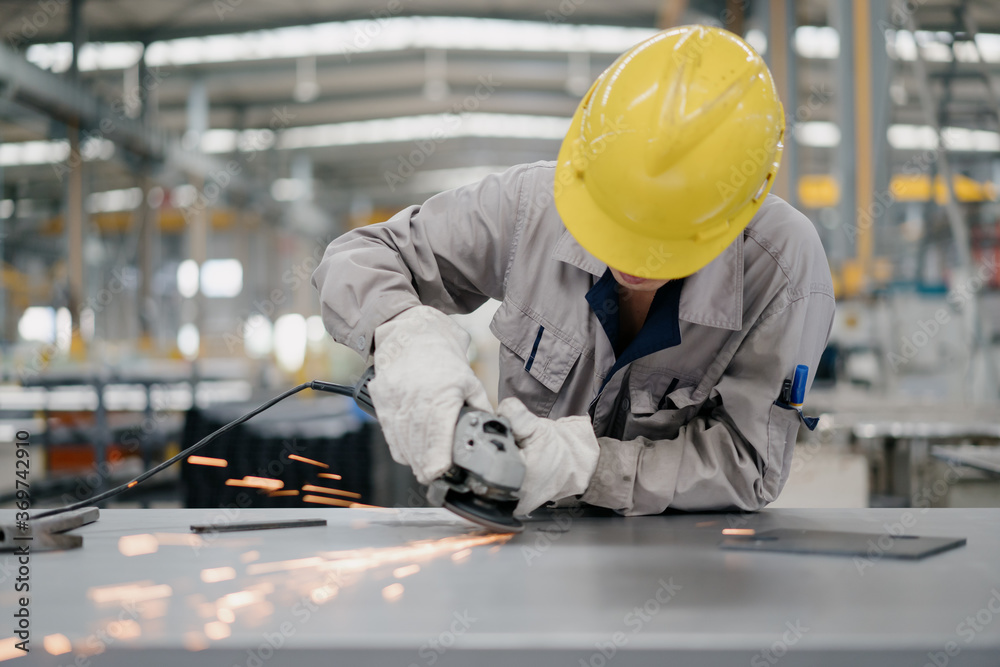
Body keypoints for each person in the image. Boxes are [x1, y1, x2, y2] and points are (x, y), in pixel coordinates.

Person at [312, 25, 835, 517]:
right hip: (521, 544)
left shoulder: (784, 272)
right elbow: (358, 255)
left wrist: (585, 465)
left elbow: (750, 466)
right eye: (615, 225)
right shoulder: (529, 208)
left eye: (661, 244)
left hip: (678, 569)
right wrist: (405, 335)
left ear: (736, 213)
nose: (631, 261)